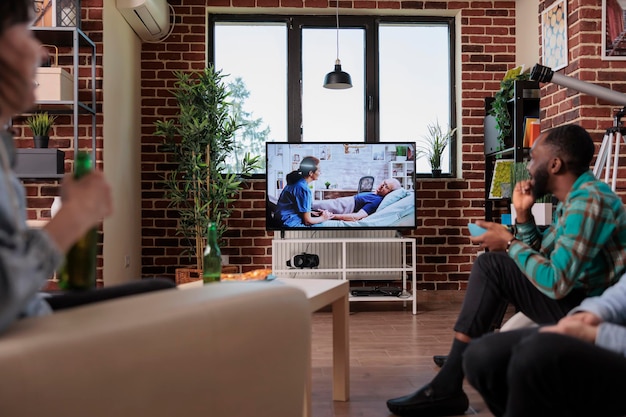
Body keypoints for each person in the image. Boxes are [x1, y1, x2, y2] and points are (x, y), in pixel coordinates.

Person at [386, 124, 626, 416]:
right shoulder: (571, 201)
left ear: (554, 164)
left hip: (589, 313)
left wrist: (509, 242)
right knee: (496, 266)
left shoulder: (589, 201)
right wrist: (523, 217)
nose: (528, 165)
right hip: (576, 298)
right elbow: (541, 257)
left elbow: (555, 281)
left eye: (533, 158)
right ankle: (453, 373)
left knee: (492, 265)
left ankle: (448, 384)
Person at [0, 0, 175, 336]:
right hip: (21, 328)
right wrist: (75, 215)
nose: (39, 54)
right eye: (22, 33)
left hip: (29, 310)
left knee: (157, 293)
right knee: (158, 301)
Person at [463, 273, 626, 417]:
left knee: (537, 354)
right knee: (483, 355)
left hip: (609, 336)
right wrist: (590, 313)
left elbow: (555, 278)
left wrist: (597, 335)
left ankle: (447, 389)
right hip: (603, 325)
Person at [274, 156, 332, 227]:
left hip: (283, 221)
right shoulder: (303, 189)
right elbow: (307, 221)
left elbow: (294, 207)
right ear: (311, 173)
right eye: (319, 170)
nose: (320, 173)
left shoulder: (296, 183)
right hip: (290, 224)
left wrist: (311, 213)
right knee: (328, 225)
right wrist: (323, 218)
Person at [311, 178, 402, 221]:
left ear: (389, 193)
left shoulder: (377, 201)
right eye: (384, 183)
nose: (382, 186)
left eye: (386, 187)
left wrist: (332, 216)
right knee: (310, 205)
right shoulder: (375, 194)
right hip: (342, 202)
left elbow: (357, 216)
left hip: (344, 206)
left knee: (311, 205)